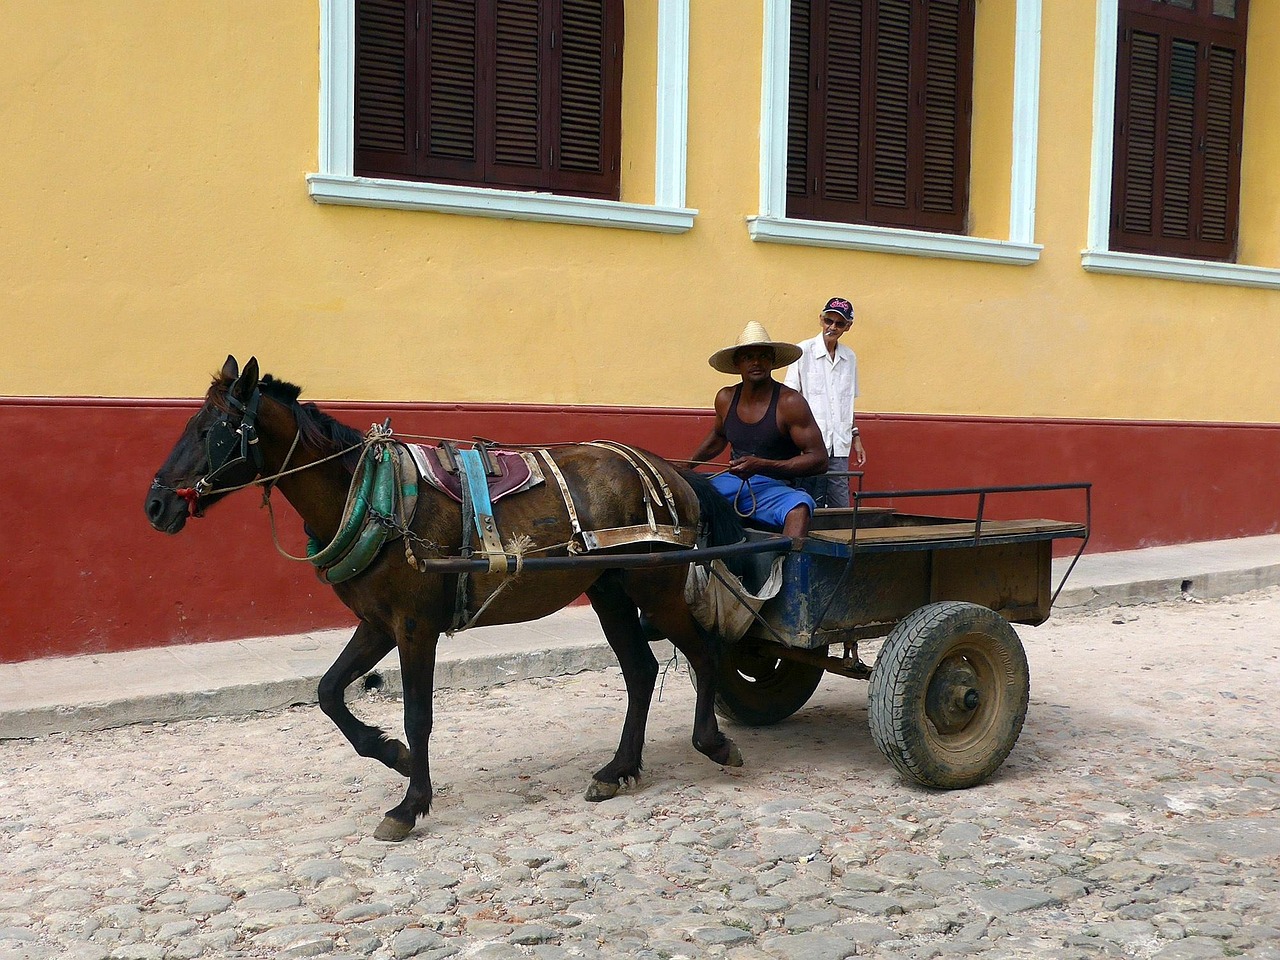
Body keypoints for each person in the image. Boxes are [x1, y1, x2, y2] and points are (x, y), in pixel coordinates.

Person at [689, 321, 828, 541]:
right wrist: (687, 466)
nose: (756, 362)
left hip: (774, 487)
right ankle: (691, 568)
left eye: (763, 356)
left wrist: (763, 465)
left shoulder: (790, 402)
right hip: (730, 481)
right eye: (748, 357)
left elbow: (819, 460)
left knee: (799, 508)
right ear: (737, 363)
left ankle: (786, 572)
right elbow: (718, 436)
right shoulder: (725, 398)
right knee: (682, 494)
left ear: (772, 362)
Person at [783, 296, 866, 509]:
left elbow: (847, 403)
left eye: (839, 323)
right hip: (808, 444)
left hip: (838, 443)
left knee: (841, 505)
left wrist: (856, 436)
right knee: (807, 500)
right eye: (829, 320)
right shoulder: (803, 352)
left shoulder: (850, 358)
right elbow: (790, 399)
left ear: (848, 327)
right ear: (821, 319)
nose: (832, 327)